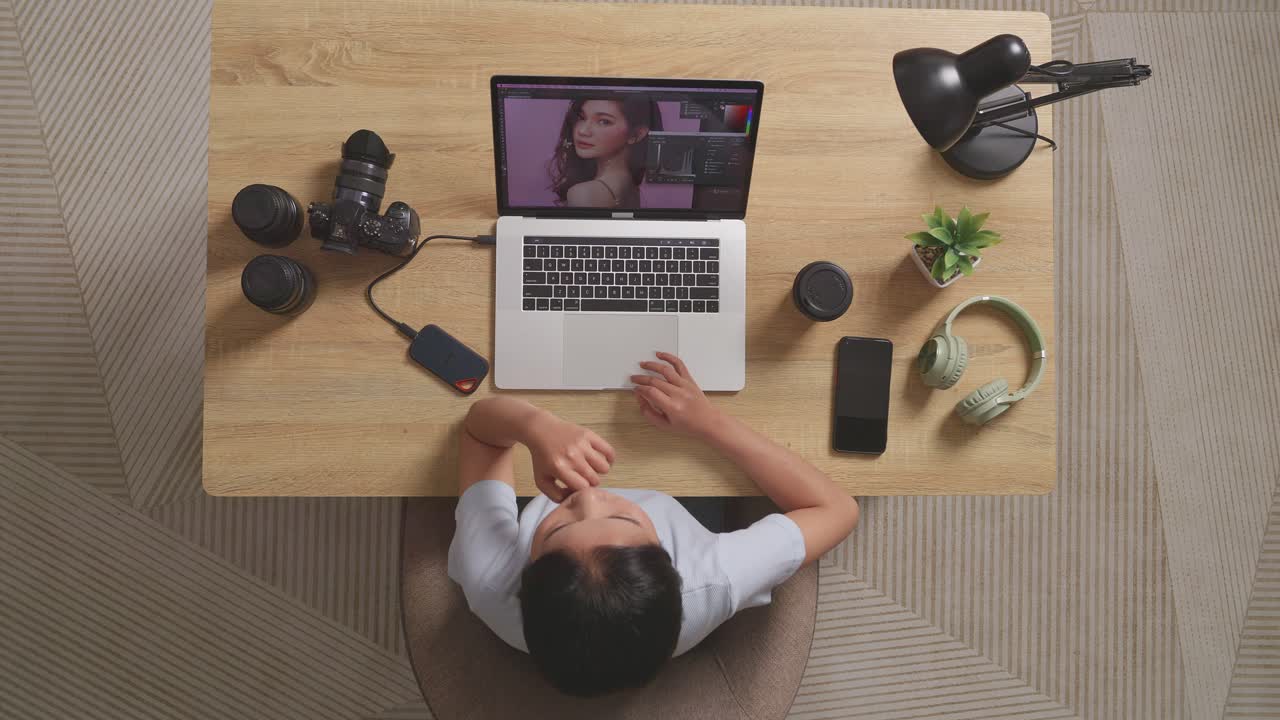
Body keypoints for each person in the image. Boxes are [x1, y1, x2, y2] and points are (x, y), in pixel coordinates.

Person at [447, 352, 860, 697]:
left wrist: (533, 425)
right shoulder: (711, 578)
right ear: (669, 557)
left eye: (558, 528)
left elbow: (479, 432)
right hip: (683, 496)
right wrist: (708, 422)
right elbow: (838, 509)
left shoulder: (489, 581)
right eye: (623, 517)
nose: (589, 495)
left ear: (525, 571)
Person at [548, 95, 663, 208]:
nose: (583, 131)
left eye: (604, 121)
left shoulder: (584, 193)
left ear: (636, 134)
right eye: (581, 117)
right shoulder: (630, 186)